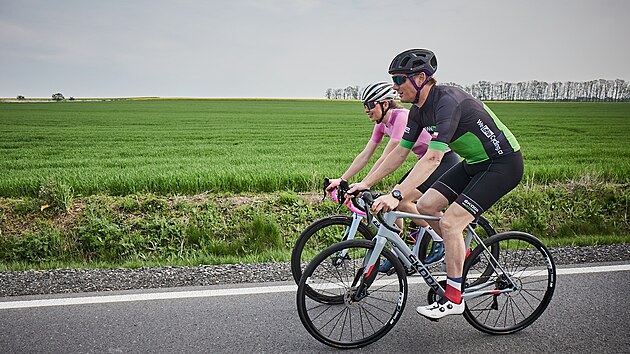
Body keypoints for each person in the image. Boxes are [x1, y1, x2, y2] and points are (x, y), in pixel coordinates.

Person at [363, 48, 523, 320]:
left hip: (503, 163)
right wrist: (363, 183)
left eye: (400, 79)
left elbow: (433, 158)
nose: (395, 86)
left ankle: (454, 297)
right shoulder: (417, 111)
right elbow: (400, 153)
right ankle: (459, 248)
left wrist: (396, 193)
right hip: (475, 163)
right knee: (426, 206)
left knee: (450, 223)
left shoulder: (447, 102)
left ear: (421, 78)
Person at [330, 82, 460, 271]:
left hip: (442, 161)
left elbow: (389, 156)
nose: (366, 110)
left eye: (370, 105)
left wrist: (365, 183)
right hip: (424, 162)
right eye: (364, 106)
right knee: (394, 202)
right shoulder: (382, 124)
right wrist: (342, 179)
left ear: (384, 104)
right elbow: (365, 156)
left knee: (403, 200)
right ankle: (399, 251)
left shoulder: (401, 117)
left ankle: (438, 239)